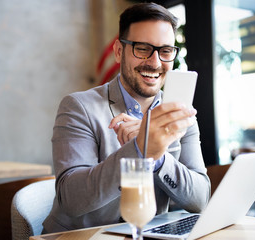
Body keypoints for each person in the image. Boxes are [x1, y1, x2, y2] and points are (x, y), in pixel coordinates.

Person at [42, 3, 210, 233]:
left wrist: (156, 156)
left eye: (166, 51)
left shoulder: (180, 114)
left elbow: (200, 199)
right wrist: (139, 150)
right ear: (119, 51)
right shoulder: (78, 107)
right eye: (142, 48)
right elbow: (72, 199)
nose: (155, 62)